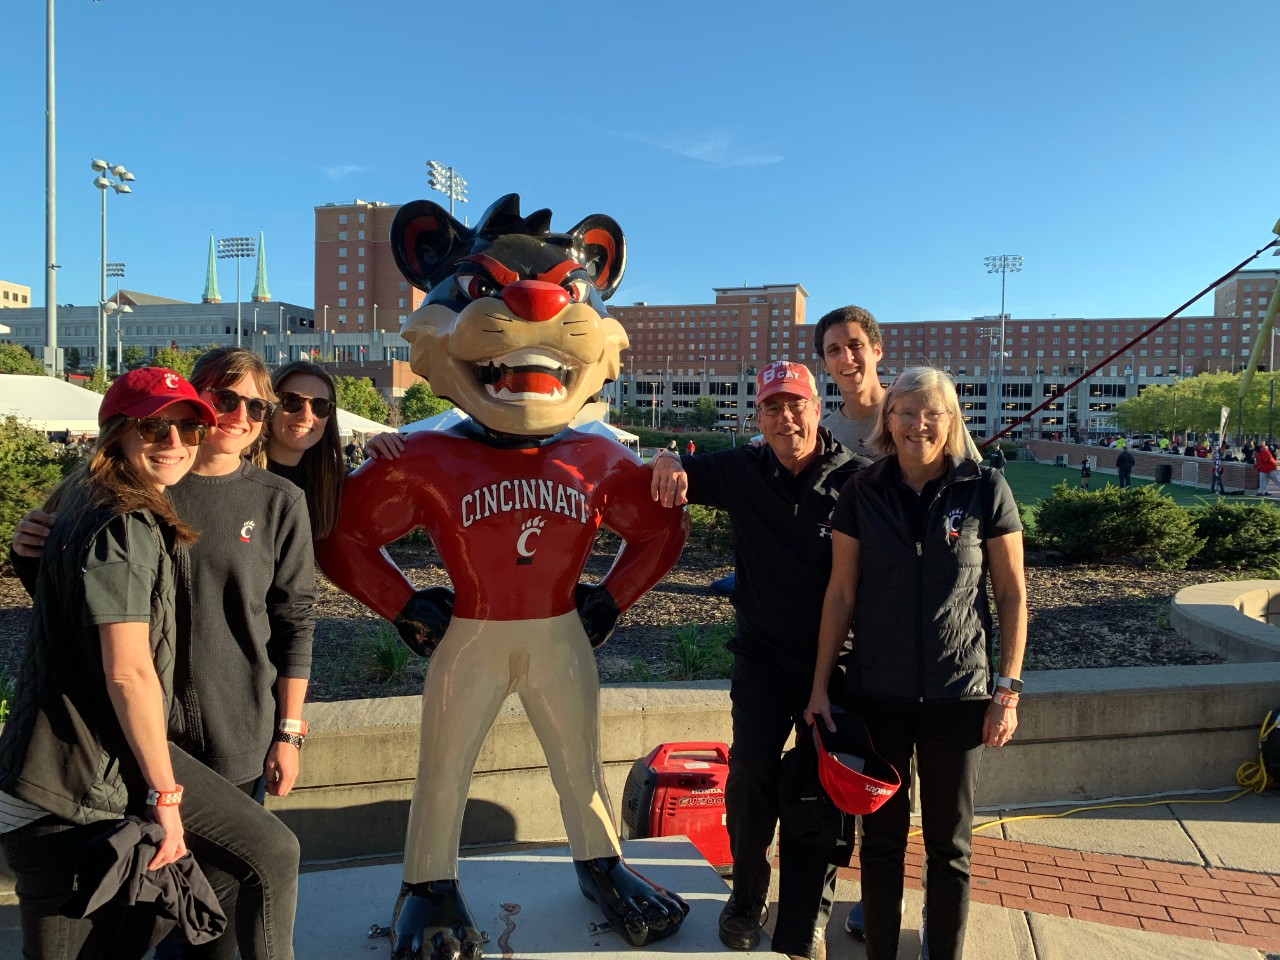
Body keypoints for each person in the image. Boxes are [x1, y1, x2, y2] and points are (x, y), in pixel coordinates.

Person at [13, 349, 315, 960]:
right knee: (159, 911)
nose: (240, 416)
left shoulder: (272, 500)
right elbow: (107, 646)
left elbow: (295, 620)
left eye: (257, 406)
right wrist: (27, 554)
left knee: (209, 916)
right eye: (224, 400)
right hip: (122, 751)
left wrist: (289, 731)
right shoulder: (130, 506)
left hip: (220, 739)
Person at [806, 366, 1027, 960]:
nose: (918, 424)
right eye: (906, 412)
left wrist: (1006, 690)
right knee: (881, 841)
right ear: (888, 420)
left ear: (951, 421)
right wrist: (820, 687)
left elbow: (1011, 594)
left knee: (949, 846)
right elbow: (840, 594)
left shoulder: (985, 488)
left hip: (960, 693)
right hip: (879, 694)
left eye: (933, 412)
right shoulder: (862, 491)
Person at [650, 360, 868, 960]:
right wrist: (665, 457)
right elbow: (675, 469)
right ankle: (746, 898)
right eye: (772, 407)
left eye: (796, 405)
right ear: (759, 416)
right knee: (750, 774)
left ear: (818, 410)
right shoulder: (740, 469)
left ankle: (808, 914)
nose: (785, 418)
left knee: (824, 789)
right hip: (763, 658)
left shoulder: (858, 480)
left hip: (838, 662)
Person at [814, 305, 886, 458]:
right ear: (825, 364)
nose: (846, 358)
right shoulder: (822, 440)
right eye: (834, 350)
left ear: (877, 351)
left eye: (855, 345)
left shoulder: (915, 418)